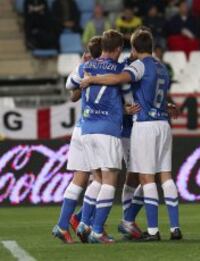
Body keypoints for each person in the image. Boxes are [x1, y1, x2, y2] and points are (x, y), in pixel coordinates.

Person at [81, 28, 182, 241]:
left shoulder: (139, 65)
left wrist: (93, 80)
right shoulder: (162, 66)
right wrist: (167, 104)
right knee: (165, 176)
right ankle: (175, 228)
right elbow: (154, 92)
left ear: (134, 48)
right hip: (163, 123)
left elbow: (119, 78)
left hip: (144, 124)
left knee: (145, 178)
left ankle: (152, 230)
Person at [76, 30, 127, 244]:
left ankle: (84, 223)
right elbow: (125, 87)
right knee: (109, 180)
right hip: (108, 128)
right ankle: (97, 230)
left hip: (87, 128)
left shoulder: (85, 66)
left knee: (97, 177)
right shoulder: (119, 68)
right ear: (117, 49)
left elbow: (71, 87)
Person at [52, 36, 102, 244]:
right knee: (103, 178)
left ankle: (63, 225)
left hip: (81, 128)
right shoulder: (112, 70)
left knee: (80, 178)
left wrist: (81, 68)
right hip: (98, 128)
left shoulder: (85, 68)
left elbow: (72, 93)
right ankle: (87, 224)